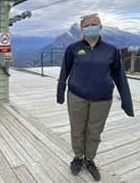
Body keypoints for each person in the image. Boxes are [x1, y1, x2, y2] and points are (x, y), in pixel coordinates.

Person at [57, 13, 134, 181]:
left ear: (100, 27)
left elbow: (119, 76)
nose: (91, 27)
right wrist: (60, 93)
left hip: (102, 99)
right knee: (77, 129)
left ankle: (90, 159)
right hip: (77, 95)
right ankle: (78, 157)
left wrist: (126, 102)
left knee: (94, 131)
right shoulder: (73, 48)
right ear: (82, 29)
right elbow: (65, 71)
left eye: (94, 24)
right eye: (87, 25)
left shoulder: (111, 50)